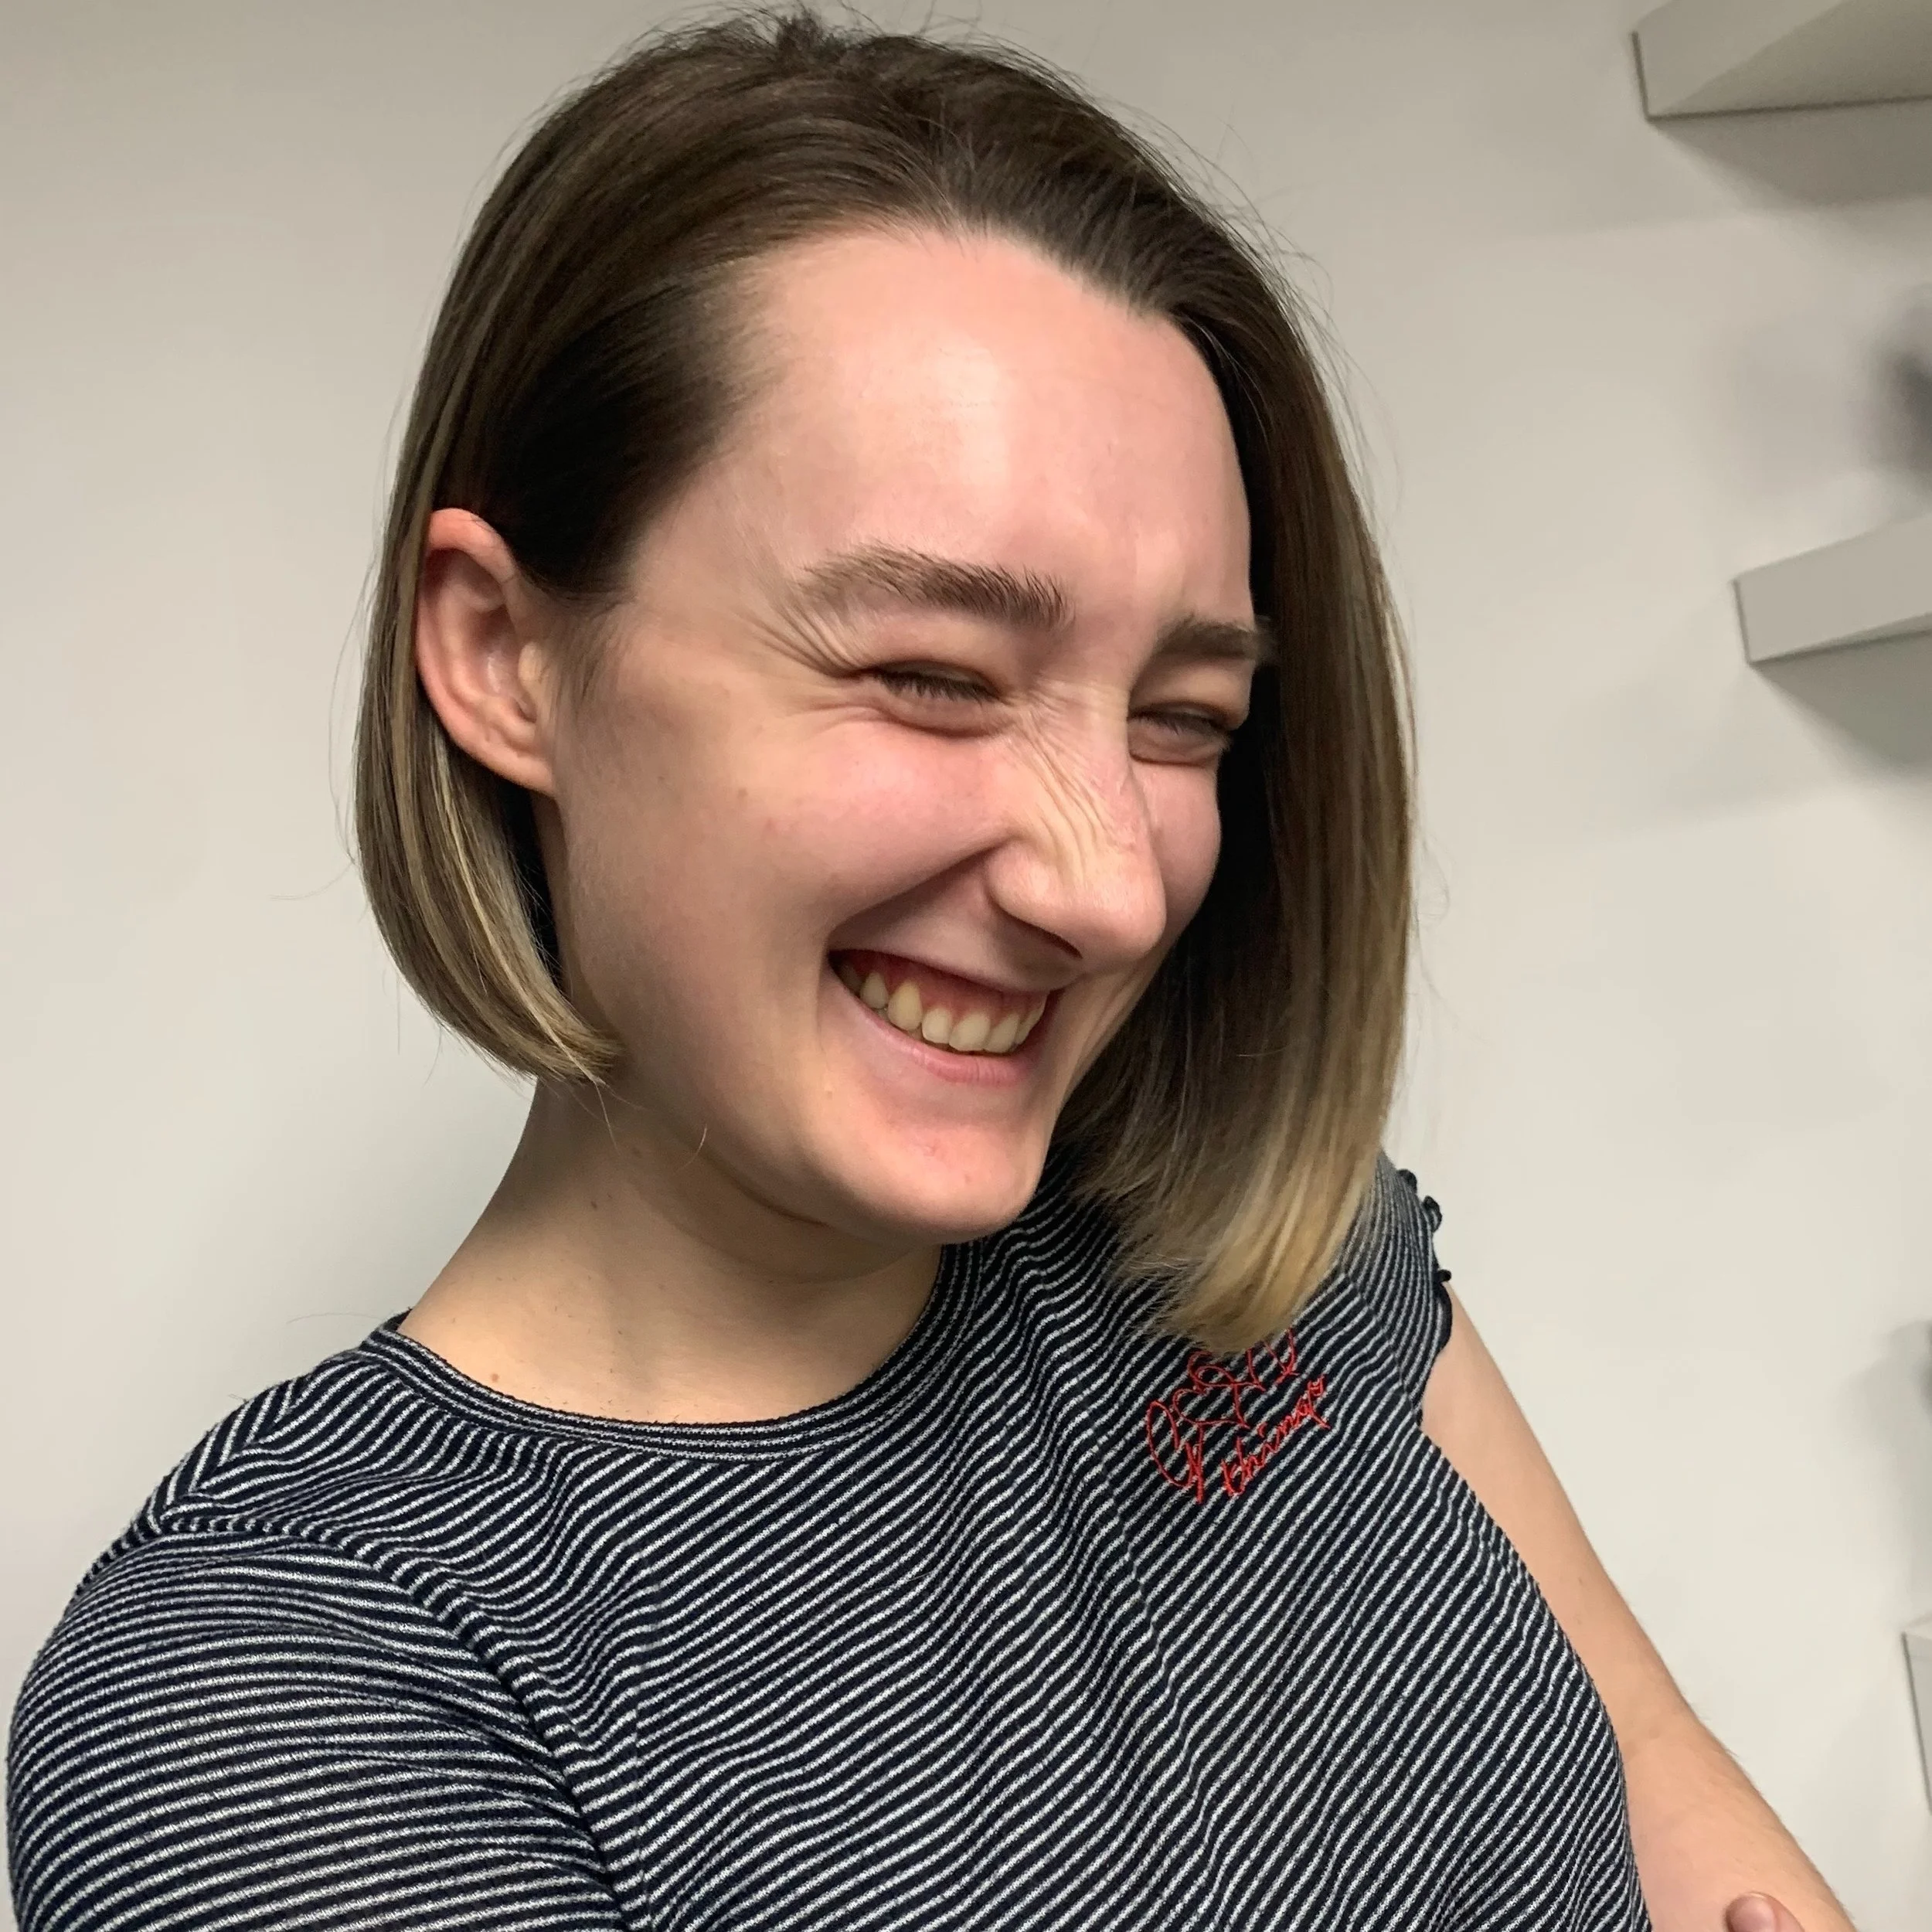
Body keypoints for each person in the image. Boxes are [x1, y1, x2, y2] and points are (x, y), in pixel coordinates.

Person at [5, 13, 1854, 1930]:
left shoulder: (1248, 1239)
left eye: (1181, 714)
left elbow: (1678, 1814)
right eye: (931, 677)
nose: (1110, 883)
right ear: (500, 652)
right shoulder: (290, 1701)